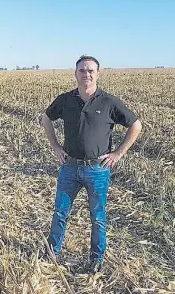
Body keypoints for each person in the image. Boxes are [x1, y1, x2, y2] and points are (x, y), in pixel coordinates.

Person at [41, 55, 142, 274]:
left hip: (98, 169)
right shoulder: (65, 100)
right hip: (70, 167)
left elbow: (135, 125)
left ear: (98, 73)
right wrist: (56, 147)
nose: (86, 74)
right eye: (82, 70)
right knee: (60, 212)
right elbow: (46, 118)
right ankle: (51, 254)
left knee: (97, 217)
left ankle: (97, 258)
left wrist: (118, 153)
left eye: (90, 71)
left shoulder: (109, 102)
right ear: (75, 73)